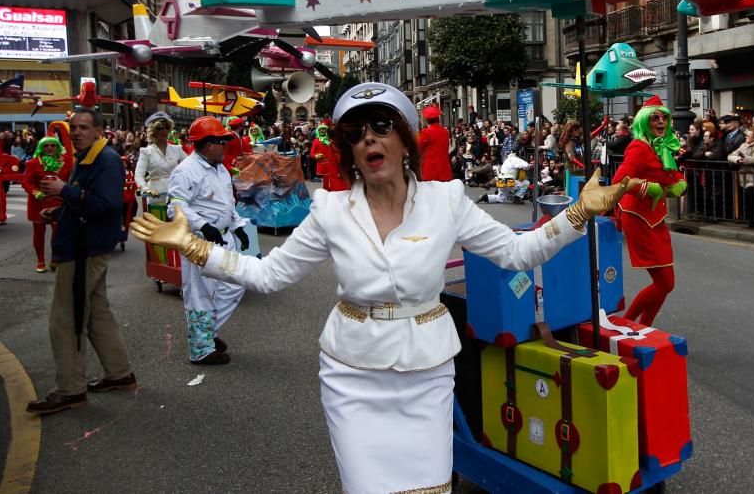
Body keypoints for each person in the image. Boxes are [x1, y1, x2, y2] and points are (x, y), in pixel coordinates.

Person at [131, 82, 629, 494]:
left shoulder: (446, 200)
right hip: (352, 378)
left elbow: (518, 254)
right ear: (348, 149)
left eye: (382, 126)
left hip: (427, 376)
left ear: (405, 138)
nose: (369, 139)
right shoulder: (329, 210)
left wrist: (579, 212)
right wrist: (195, 248)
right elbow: (269, 274)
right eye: (355, 132)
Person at [26, 108, 135, 415]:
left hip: (83, 249)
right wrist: (60, 210)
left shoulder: (106, 160)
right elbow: (90, 201)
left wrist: (64, 191)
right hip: (84, 245)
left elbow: (106, 205)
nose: (76, 132)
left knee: (66, 319)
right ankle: (119, 372)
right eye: (73, 127)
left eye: (84, 127)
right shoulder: (91, 156)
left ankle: (71, 389)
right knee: (96, 313)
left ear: (98, 131)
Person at [168, 117, 253, 365]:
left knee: (235, 284)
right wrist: (203, 225)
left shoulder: (221, 168)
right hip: (199, 242)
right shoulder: (185, 171)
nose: (226, 145)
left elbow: (227, 203)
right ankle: (201, 349)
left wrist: (238, 227)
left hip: (223, 239)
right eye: (221, 141)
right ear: (207, 145)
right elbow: (175, 207)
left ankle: (207, 333)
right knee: (200, 294)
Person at [612, 96, 687, 326]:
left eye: (664, 117)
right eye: (655, 117)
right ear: (645, 121)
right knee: (665, 283)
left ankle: (642, 327)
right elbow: (619, 180)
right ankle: (629, 324)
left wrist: (679, 183)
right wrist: (647, 188)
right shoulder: (638, 147)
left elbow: (668, 175)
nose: (661, 121)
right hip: (639, 218)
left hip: (655, 219)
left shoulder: (660, 146)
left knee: (665, 284)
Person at [21, 136, 71, 273]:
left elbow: (71, 178)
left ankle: (55, 258)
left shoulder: (66, 161)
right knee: (39, 233)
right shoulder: (33, 163)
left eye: (53, 145)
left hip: (58, 201)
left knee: (58, 232)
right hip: (38, 202)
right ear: (41, 148)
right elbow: (25, 181)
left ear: (58, 147)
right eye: (46, 145)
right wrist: (35, 192)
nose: (49, 148)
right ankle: (40, 260)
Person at [134, 112, 186, 211]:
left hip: (175, 194)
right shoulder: (146, 151)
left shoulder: (177, 149)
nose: (164, 131)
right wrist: (146, 189)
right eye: (159, 128)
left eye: (166, 127)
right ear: (153, 131)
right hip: (156, 197)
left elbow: (190, 166)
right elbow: (138, 174)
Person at [728, 126, 754, 227]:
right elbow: (730, 156)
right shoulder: (743, 146)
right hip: (744, 177)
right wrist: (738, 160)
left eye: (748, 136)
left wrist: (747, 160)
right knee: (747, 199)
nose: (746, 137)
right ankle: (749, 218)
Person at [418, 104, 453, 181]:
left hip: (431, 170)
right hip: (444, 169)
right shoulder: (445, 132)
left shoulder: (426, 132)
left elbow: (418, 148)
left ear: (427, 120)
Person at [311, 123, 349, 191]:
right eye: (320, 129)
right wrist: (317, 155)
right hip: (323, 164)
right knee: (326, 182)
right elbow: (312, 153)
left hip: (333, 164)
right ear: (318, 131)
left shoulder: (332, 141)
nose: (322, 130)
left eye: (324, 129)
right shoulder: (316, 141)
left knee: (336, 180)